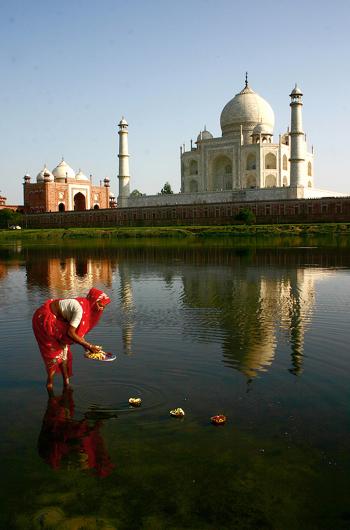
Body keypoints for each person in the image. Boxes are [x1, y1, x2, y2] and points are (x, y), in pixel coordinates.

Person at [32, 287, 111, 392]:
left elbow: (77, 331)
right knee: (54, 355)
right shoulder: (80, 310)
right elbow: (70, 333)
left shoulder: (86, 308)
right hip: (45, 320)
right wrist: (89, 346)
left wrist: (87, 347)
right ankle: (49, 384)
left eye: (104, 306)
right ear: (93, 301)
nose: (101, 309)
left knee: (64, 353)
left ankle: (66, 383)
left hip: (60, 322)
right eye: (100, 305)